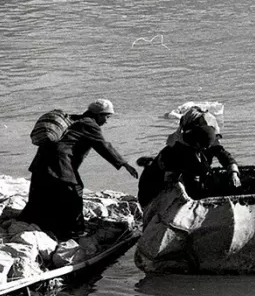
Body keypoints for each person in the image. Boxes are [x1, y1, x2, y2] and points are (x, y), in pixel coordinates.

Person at [21, 99, 139, 240]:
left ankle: (31, 220)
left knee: (41, 191)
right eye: (107, 117)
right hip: (59, 163)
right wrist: (125, 164)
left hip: (41, 160)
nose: (107, 121)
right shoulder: (90, 124)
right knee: (74, 191)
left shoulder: (74, 118)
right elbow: (104, 146)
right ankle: (75, 230)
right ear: (99, 115)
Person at [138, 115, 241, 209]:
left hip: (189, 174)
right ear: (196, 143)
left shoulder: (209, 143)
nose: (207, 148)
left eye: (208, 146)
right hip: (154, 187)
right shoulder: (175, 151)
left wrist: (234, 173)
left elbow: (225, 156)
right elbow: (170, 179)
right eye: (203, 147)